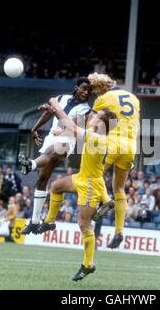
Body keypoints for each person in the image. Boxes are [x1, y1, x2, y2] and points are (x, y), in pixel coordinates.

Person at [33, 96, 118, 281]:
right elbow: (71, 128)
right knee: (55, 187)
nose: (93, 116)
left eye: (97, 116)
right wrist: (59, 130)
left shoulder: (98, 138)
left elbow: (73, 127)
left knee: (84, 224)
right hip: (82, 177)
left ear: (102, 124)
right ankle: (49, 221)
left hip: (90, 185)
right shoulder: (94, 132)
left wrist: (56, 105)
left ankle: (88, 265)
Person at [19, 77, 92, 234]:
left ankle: (30, 164)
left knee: (53, 151)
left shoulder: (86, 109)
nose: (86, 92)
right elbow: (49, 114)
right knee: (42, 179)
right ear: (76, 87)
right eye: (84, 88)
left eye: (89, 91)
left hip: (67, 140)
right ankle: (34, 220)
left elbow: (73, 124)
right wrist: (34, 128)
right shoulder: (61, 98)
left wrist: (55, 113)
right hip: (51, 137)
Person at [87, 73, 141, 249]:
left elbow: (91, 124)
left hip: (110, 144)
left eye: (95, 91)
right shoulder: (134, 98)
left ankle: (101, 209)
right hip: (130, 147)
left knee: (93, 178)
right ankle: (119, 231)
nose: (95, 94)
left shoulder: (103, 99)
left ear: (101, 88)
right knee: (119, 188)